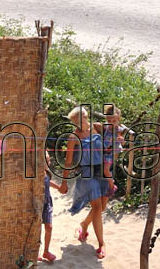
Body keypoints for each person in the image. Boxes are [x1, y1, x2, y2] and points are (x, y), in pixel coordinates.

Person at [64, 106, 110, 259]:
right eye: (78, 119)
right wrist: (64, 182)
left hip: (102, 171)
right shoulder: (73, 137)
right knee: (97, 207)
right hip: (87, 173)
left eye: (83, 116)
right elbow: (68, 161)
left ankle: (84, 224)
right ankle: (101, 244)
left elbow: (113, 134)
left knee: (102, 207)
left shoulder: (97, 127)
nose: (82, 120)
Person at [41, 142, 69, 263]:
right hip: (38, 203)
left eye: (49, 159)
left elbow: (48, 183)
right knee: (36, 229)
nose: (49, 162)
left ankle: (46, 251)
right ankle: (34, 251)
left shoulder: (46, 173)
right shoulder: (35, 174)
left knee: (49, 227)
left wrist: (58, 187)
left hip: (47, 202)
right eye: (46, 160)